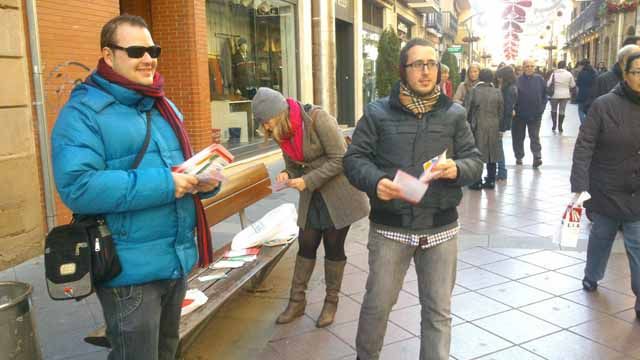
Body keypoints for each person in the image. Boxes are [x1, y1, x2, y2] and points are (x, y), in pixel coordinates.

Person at [50, 15, 221, 359]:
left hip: (174, 259)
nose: (148, 58)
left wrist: (201, 181)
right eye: (136, 50)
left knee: (167, 351)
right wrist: (165, 184)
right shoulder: (83, 112)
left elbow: (175, 171)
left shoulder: (162, 105)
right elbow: (77, 186)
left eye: (152, 49)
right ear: (108, 55)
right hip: (129, 270)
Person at [343, 38, 483, 360]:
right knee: (377, 306)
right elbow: (353, 159)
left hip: (441, 229)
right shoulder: (377, 113)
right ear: (403, 70)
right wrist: (376, 181)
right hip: (391, 229)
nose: (426, 71)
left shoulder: (454, 114)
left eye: (431, 64)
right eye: (417, 64)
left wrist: (456, 168)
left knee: (438, 312)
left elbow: (475, 161)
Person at [252, 87, 370, 328]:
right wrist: (287, 174)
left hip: (338, 194)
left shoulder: (318, 118)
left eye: (267, 120)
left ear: (279, 112)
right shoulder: (281, 131)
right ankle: (297, 302)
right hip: (312, 195)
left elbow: (340, 158)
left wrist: (308, 180)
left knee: (333, 246)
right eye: (262, 123)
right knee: (306, 243)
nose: (266, 127)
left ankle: (331, 302)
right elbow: (294, 166)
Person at [570, 52, 640, 321]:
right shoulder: (604, 105)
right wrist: (580, 186)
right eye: (637, 72)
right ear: (625, 73)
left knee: (637, 245)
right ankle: (592, 275)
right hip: (606, 190)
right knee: (601, 238)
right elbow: (584, 145)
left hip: (637, 194)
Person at [465, 69, 504, 190]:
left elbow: (467, 109)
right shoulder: (497, 92)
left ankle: (476, 181)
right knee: (492, 152)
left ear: (479, 78)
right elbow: (501, 110)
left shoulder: (474, 91)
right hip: (494, 125)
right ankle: (491, 180)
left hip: (478, 125)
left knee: (477, 153)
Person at [513, 59, 546, 168]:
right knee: (518, 137)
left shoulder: (540, 79)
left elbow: (545, 95)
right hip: (519, 115)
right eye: (527, 66)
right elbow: (512, 97)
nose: (529, 68)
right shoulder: (517, 80)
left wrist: (541, 109)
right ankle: (519, 156)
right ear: (523, 67)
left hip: (535, 115)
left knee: (534, 136)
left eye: (532, 66)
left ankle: (537, 157)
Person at [495, 65, 518, 180]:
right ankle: (501, 171)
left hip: (500, 123)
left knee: (498, 147)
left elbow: (507, 109)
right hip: (500, 122)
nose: (498, 79)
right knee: (497, 146)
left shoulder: (509, 89)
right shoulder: (509, 87)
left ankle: (502, 171)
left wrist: (502, 128)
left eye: (500, 77)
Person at [547, 60, 576, 133]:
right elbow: (572, 85)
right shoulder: (569, 74)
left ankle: (554, 125)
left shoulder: (554, 74)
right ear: (565, 66)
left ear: (558, 66)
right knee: (562, 111)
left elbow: (548, 84)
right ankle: (560, 126)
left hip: (554, 95)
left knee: (553, 109)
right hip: (565, 95)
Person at [575, 59, 598, 124]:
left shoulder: (581, 73)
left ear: (582, 65)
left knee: (580, 110)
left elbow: (578, 85)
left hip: (582, 94)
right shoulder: (594, 72)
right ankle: (588, 124)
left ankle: (583, 124)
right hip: (592, 95)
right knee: (589, 111)